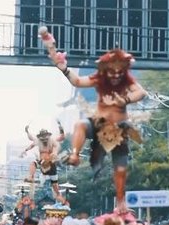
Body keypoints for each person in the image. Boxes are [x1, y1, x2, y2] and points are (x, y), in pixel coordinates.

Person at [39, 27, 147, 214]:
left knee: (120, 168)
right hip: (98, 125)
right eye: (111, 71)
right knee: (80, 124)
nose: (114, 75)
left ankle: (121, 202)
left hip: (118, 130)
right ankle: (74, 154)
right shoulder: (99, 78)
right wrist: (64, 69)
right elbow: (78, 82)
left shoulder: (127, 81)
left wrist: (126, 99)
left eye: (118, 71)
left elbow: (141, 92)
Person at [22, 121, 67, 205]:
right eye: (42, 138)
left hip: (51, 163)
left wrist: (61, 128)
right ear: (40, 138)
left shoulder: (52, 141)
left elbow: (62, 137)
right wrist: (27, 131)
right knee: (33, 162)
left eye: (46, 138)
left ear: (48, 136)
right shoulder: (38, 141)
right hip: (42, 163)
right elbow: (31, 139)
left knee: (54, 184)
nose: (44, 140)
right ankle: (31, 176)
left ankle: (58, 195)